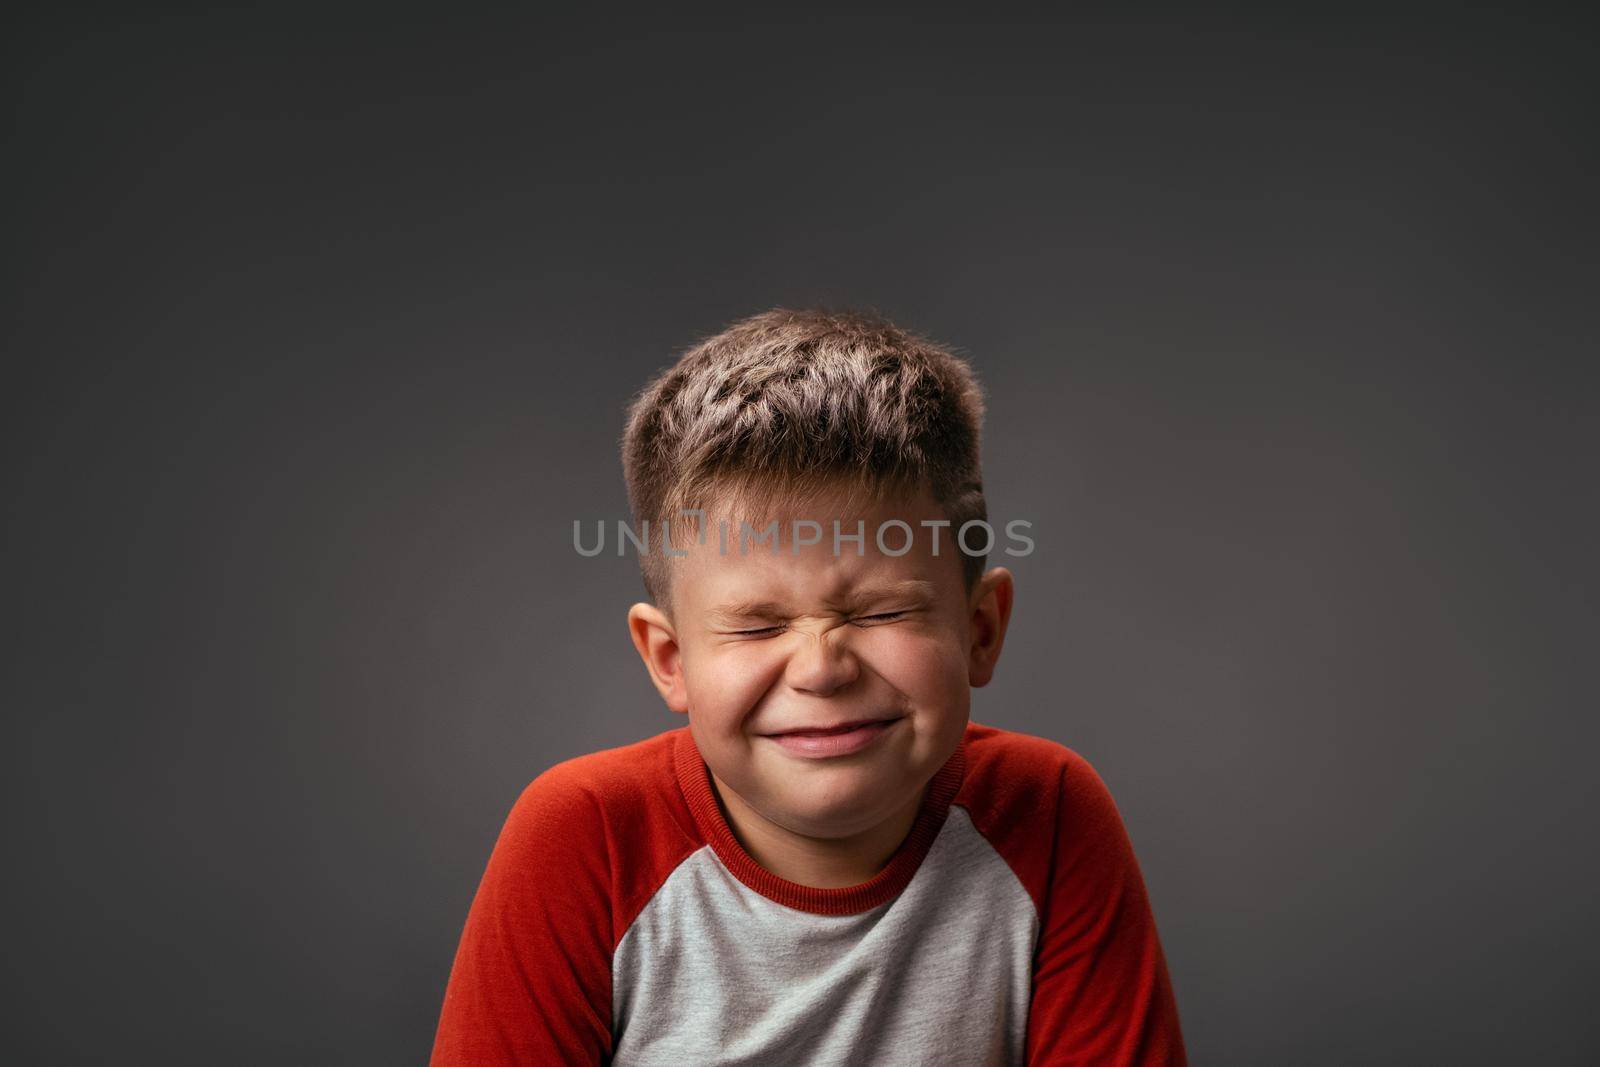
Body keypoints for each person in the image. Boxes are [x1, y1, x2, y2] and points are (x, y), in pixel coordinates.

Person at [429, 307, 1187, 1065]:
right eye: (757, 626)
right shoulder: (585, 838)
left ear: (981, 629)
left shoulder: (1047, 815)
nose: (822, 667)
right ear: (670, 659)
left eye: (885, 609)